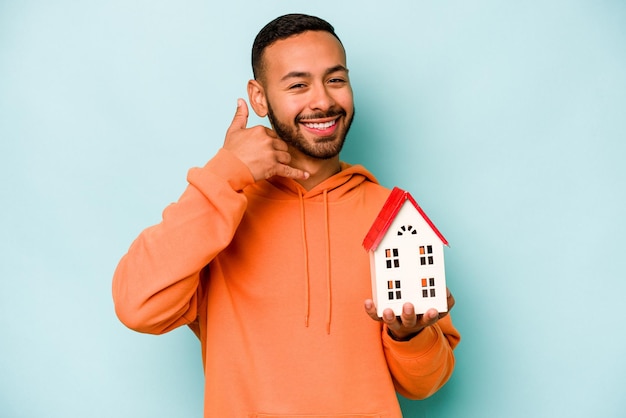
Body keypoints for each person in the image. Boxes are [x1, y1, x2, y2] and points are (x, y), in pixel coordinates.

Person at [113, 13, 460, 417]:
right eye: (298, 84)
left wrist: (410, 335)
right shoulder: (222, 206)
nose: (323, 101)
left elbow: (426, 384)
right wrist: (224, 174)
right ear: (259, 98)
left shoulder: (394, 217)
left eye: (335, 79)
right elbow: (137, 306)